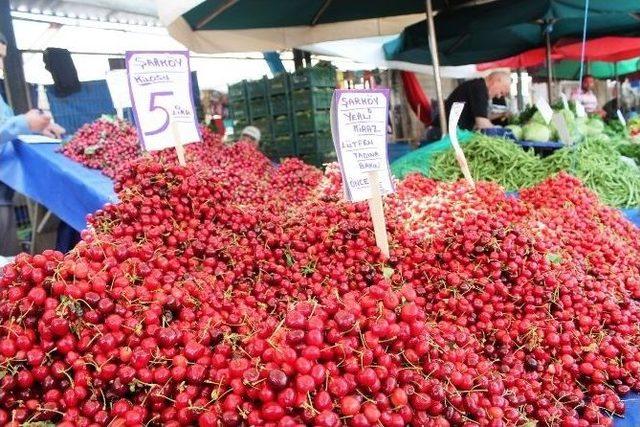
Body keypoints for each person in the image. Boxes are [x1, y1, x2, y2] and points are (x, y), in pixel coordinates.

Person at [0, 32, 65, 256]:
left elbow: (5, 125)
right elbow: (9, 127)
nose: (1, 65)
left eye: (2, 57)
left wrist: (35, 126)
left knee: (7, 259)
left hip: (3, 189)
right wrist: (22, 123)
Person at [443, 71, 511, 131]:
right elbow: (482, 123)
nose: (498, 96)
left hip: (451, 132)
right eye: (501, 92)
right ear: (496, 81)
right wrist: (502, 135)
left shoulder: (478, 86)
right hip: (443, 134)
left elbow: (482, 115)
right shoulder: (479, 89)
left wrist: (502, 114)